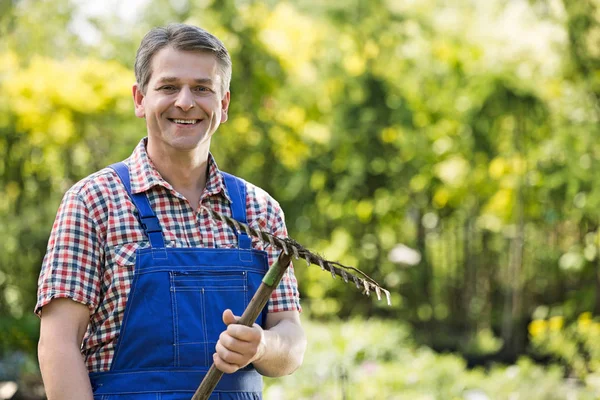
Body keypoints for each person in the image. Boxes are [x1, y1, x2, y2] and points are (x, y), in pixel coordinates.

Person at [35, 23, 306, 400]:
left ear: (223, 104)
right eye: (168, 87)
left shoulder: (260, 212)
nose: (184, 102)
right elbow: (58, 345)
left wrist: (261, 345)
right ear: (139, 98)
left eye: (201, 88)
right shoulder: (92, 202)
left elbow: (290, 338)